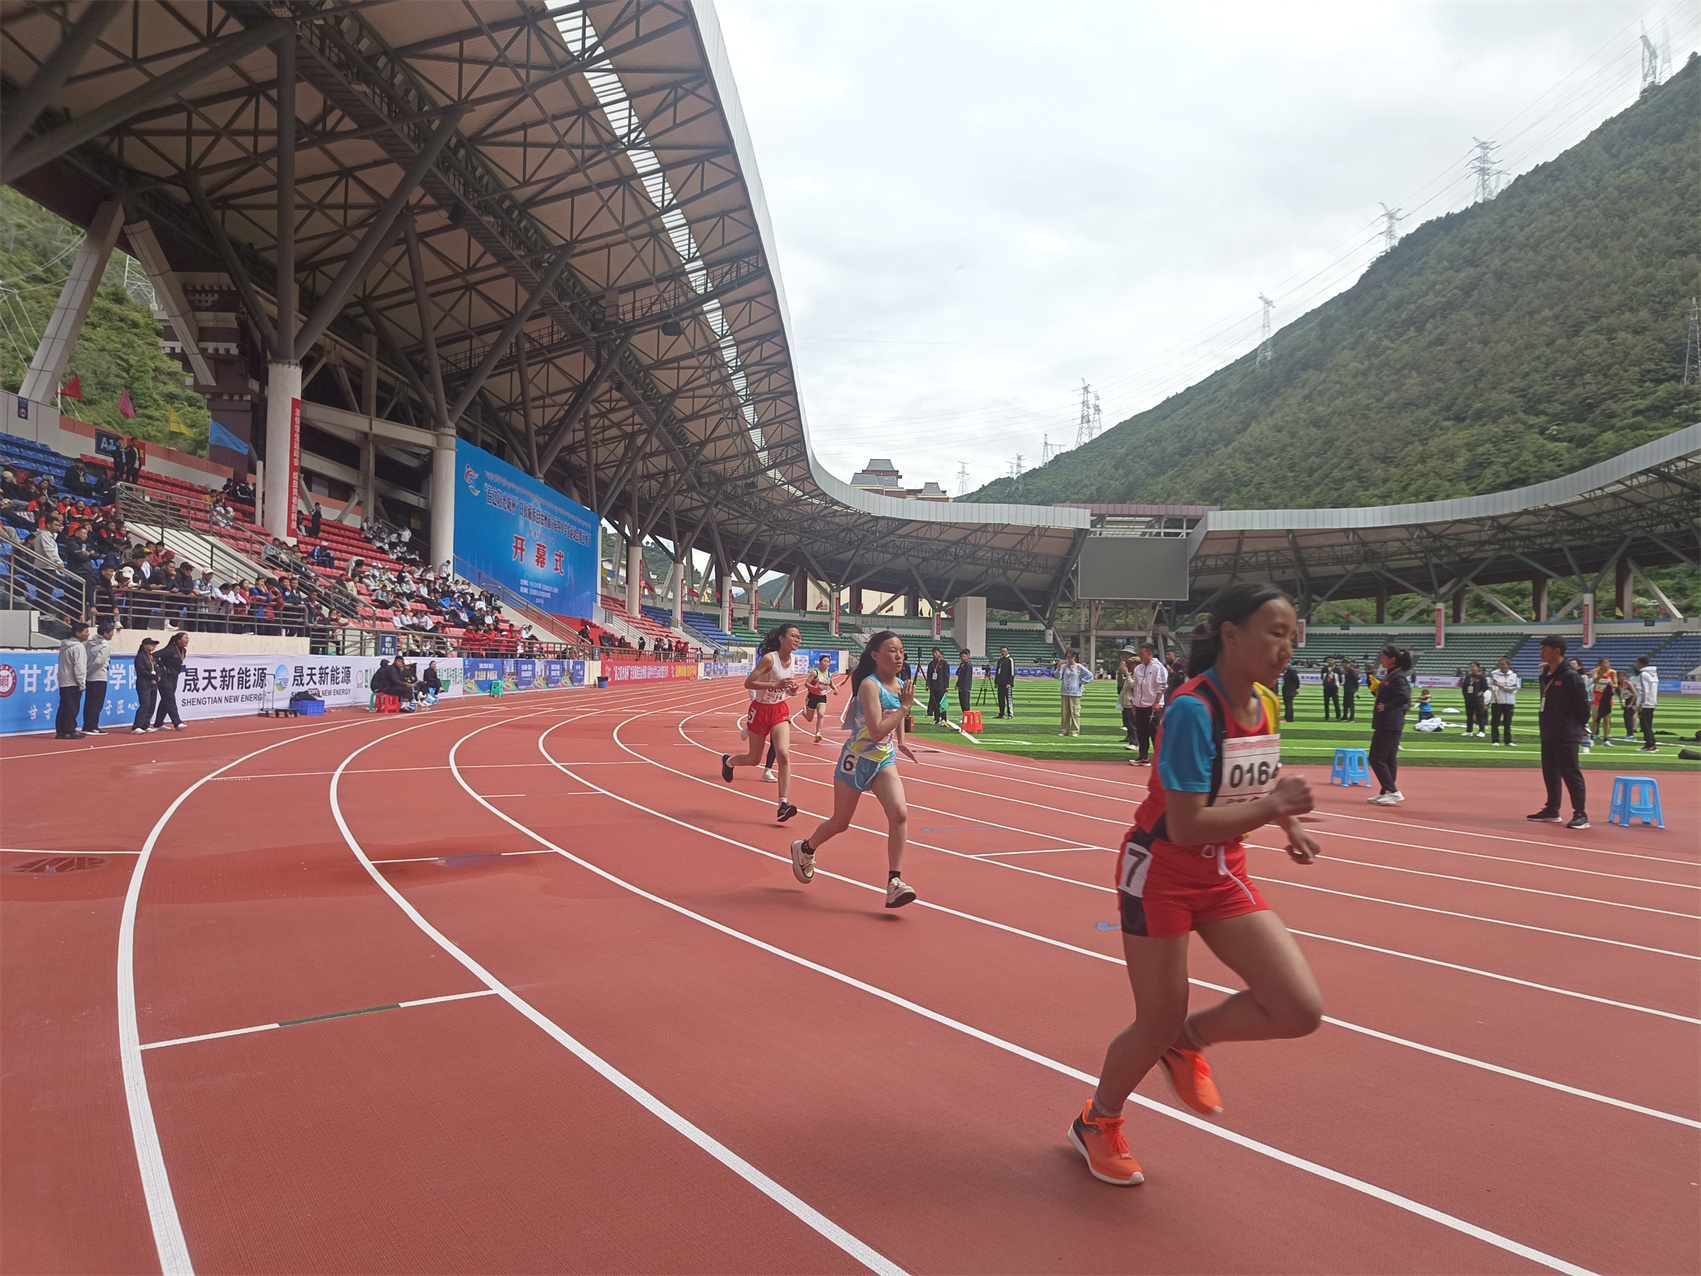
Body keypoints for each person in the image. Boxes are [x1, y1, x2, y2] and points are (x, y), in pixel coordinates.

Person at [1069, 583, 1322, 1188]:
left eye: (1291, 636)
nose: (1286, 647)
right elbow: (1184, 826)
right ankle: (1097, 1121)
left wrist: (1287, 822)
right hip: (1159, 871)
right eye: (1274, 633)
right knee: (1155, 1018)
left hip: (1223, 870)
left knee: (1298, 1008)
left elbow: (1252, 775)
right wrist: (1275, 809)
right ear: (1231, 634)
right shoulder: (1190, 710)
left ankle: (1188, 1041)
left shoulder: (1265, 702)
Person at [788, 631, 920, 909]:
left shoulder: (899, 684)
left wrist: (902, 741)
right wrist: (905, 707)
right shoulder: (870, 686)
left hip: (883, 760)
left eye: (901, 651)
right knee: (840, 822)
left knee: (899, 814)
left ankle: (894, 882)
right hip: (856, 760)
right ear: (875, 656)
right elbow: (876, 730)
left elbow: (896, 716)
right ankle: (806, 848)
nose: (899, 656)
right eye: (892, 651)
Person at [720, 623, 802, 823]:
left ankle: (783, 805)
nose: (797, 639)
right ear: (782, 638)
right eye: (793, 636)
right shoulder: (769, 659)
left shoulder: (794, 660)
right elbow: (748, 683)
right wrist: (775, 684)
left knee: (783, 754)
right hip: (760, 710)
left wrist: (792, 689)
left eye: (799, 637)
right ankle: (728, 762)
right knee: (754, 759)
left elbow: (786, 688)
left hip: (779, 709)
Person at [1530, 636, 1589, 828]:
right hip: (1549, 730)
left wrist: (1578, 726)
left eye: (1544, 649)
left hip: (1567, 732)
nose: (1541, 653)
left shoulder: (1570, 676)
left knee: (1570, 772)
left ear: (1556, 651)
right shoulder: (1546, 674)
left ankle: (1580, 814)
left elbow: (1583, 706)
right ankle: (1552, 809)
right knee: (1550, 772)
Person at [1367, 644, 1412, 805]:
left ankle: (1392, 791)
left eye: (1383, 657)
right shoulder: (1391, 674)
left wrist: (1387, 706)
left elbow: (1404, 697)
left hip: (1390, 722)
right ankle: (1385, 791)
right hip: (1389, 722)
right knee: (1388, 758)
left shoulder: (1397, 676)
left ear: (1392, 659)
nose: (1381, 660)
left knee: (1376, 757)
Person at [1125, 643, 1167, 765]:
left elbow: (1162, 686)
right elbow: (1137, 687)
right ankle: (1143, 757)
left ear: (1150, 653)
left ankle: (1159, 757)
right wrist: (1135, 703)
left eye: (1142, 653)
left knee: (1154, 732)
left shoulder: (1158, 668)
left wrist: (1157, 702)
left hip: (1153, 706)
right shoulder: (1138, 668)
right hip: (1140, 705)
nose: (1140, 656)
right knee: (1141, 732)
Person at [55, 619, 90, 739]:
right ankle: (69, 730)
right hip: (73, 682)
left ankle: (61, 731)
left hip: (64, 681)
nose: (88, 634)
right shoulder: (78, 647)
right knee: (72, 707)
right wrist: (82, 683)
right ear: (78, 633)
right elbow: (79, 667)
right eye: (86, 631)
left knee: (64, 706)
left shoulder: (65, 646)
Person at [798, 654, 840, 744]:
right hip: (812, 696)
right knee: (809, 719)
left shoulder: (829, 674)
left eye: (828, 662)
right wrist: (816, 688)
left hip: (822, 697)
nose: (826, 663)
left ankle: (818, 734)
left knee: (821, 714)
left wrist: (835, 689)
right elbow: (806, 684)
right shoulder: (815, 673)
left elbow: (831, 683)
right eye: (824, 661)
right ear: (820, 662)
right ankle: (804, 712)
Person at [82, 621, 115, 734]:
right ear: (105, 633)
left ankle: (87, 725)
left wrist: (87, 672)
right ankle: (92, 726)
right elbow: (99, 662)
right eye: (111, 632)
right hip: (99, 677)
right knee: (96, 703)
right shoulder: (105, 645)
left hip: (90, 677)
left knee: (89, 702)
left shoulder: (89, 643)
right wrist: (89, 672)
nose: (112, 634)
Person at [152, 632, 188, 731]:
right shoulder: (170, 649)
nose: (187, 640)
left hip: (174, 677)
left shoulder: (183, 650)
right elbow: (154, 655)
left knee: (165, 700)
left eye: (187, 638)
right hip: (165, 678)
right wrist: (161, 665)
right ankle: (177, 722)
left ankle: (158, 723)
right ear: (178, 640)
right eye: (185, 638)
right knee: (170, 699)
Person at [1058, 648, 1090, 736]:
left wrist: (1080, 682)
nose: (1068, 659)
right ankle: (1064, 730)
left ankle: (1075, 731)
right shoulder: (1064, 667)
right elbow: (1058, 677)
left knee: (1075, 713)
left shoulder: (1079, 667)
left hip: (1075, 693)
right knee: (1065, 713)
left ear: (1074, 657)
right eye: (1067, 657)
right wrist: (1058, 668)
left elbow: (1090, 675)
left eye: (1070, 657)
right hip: (1065, 692)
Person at [1488, 656, 1520, 746]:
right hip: (1497, 702)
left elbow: (1514, 687)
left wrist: (1502, 686)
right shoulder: (1494, 674)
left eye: (1504, 664)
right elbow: (1494, 686)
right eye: (1500, 664)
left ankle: (1508, 741)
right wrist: (1497, 695)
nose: (1502, 666)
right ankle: (1495, 740)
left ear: (1508, 665)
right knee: (1495, 722)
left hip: (1509, 701)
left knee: (1507, 723)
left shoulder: (1513, 675)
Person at [132, 636, 160, 733]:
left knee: (152, 705)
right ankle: (136, 726)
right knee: (145, 704)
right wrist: (153, 677)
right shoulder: (140, 657)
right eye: (151, 644)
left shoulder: (152, 657)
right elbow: (141, 671)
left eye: (154, 645)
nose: (153, 646)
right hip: (144, 684)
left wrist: (157, 677)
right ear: (144, 645)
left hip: (153, 685)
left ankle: (145, 724)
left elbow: (157, 669)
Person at [1587, 657, 1616, 748]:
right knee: (1595, 718)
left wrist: (1612, 684)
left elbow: (1616, 684)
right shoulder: (1596, 671)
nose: (1607, 664)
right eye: (1605, 663)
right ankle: (1591, 738)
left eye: (1608, 662)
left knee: (1607, 719)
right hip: (1597, 696)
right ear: (1600, 664)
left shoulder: (1612, 672)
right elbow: (1595, 681)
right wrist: (1602, 673)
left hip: (1607, 697)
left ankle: (1606, 739)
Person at [1633, 656, 1659, 752]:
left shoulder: (1643, 674)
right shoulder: (1653, 674)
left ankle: (1650, 744)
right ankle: (1651, 743)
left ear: (1639, 663)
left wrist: (1640, 704)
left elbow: (1643, 690)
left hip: (1645, 703)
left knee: (1645, 725)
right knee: (1648, 724)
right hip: (1652, 702)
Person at [1461, 662, 1488, 737]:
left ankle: (1482, 731)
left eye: (1474, 666)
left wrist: (1480, 693)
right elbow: (1464, 688)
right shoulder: (1468, 677)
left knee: (1480, 715)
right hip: (1469, 699)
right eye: (1471, 667)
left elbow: (1485, 687)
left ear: (1478, 668)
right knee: (1469, 716)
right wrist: (1466, 697)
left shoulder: (1481, 677)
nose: (1472, 668)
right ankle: (1469, 731)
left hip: (1478, 700)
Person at [924, 648, 950, 724]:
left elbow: (946, 675)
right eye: (933, 653)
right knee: (935, 703)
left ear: (939, 653)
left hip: (941, 686)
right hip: (933, 686)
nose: (934, 654)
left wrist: (946, 686)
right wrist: (927, 685)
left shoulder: (944, 663)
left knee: (942, 703)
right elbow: (929, 675)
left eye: (936, 653)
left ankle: (944, 719)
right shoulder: (931, 664)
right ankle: (936, 719)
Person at [1616, 670, 1640, 745]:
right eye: (1619, 676)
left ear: (1625, 677)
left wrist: (1632, 704)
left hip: (1632, 701)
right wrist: (1621, 704)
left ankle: (1631, 735)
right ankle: (1629, 733)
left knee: (1628, 717)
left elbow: (1635, 694)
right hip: (1626, 702)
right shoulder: (1618, 685)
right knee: (1626, 718)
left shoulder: (1628, 683)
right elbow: (1619, 695)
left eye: (1622, 676)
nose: (1620, 678)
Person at [994, 645, 1015, 718]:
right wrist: (996, 682)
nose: (1003, 653)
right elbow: (997, 672)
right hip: (1000, 683)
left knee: (1008, 698)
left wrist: (1010, 683)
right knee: (1000, 699)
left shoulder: (1010, 660)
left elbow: (1012, 673)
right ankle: (1001, 713)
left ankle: (1010, 713)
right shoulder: (1000, 660)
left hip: (1007, 683)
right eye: (1002, 651)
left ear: (1007, 652)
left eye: (1004, 651)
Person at [955, 649, 975, 716]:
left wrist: (961, 686)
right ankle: (964, 716)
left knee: (965, 703)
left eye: (964, 656)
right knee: (962, 703)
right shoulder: (962, 664)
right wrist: (957, 684)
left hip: (965, 687)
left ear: (967, 657)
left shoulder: (968, 665)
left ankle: (967, 717)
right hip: (961, 687)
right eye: (961, 656)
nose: (962, 658)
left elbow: (966, 678)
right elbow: (958, 673)